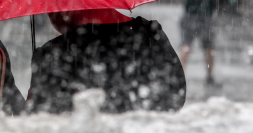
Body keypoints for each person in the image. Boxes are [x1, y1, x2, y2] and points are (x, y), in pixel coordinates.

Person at [27, 8, 186, 114]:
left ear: (64, 7)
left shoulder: (55, 54)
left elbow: (39, 116)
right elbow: (175, 98)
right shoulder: (149, 34)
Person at [179, 0, 223, 87]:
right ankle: (209, 77)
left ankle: (178, 77)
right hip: (206, 14)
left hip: (190, 13)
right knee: (209, 47)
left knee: (186, 45)